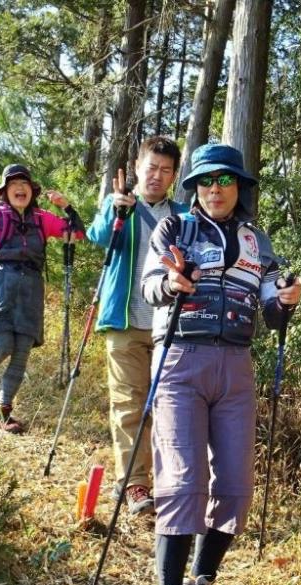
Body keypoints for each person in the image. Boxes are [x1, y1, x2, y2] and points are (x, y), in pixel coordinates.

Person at [141, 143, 301, 585]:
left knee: (233, 487)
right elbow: (149, 288)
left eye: (225, 181)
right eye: (206, 181)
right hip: (180, 361)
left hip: (236, 367)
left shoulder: (257, 240)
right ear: (194, 188)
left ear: (239, 188)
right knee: (184, 483)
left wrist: (285, 299)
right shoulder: (175, 229)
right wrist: (169, 282)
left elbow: (272, 311)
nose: (215, 189)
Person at [86, 136, 188, 516]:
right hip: (125, 321)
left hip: (171, 327)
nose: (157, 176)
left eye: (165, 170)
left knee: (166, 406)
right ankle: (135, 484)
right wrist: (115, 212)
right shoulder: (121, 206)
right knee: (130, 404)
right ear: (137, 169)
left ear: (174, 175)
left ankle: (165, 479)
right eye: (151, 168)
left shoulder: (182, 215)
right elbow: (97, 238)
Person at [0, 164, 84, 434]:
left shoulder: (43, 218)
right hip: (0, 283)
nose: (19, 188)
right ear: (4, 191)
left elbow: (76, 234)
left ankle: (2, 412)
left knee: (21, 352)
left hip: (30, 286)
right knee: (2, 345)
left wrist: (66, 206)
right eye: (13, 184)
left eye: (24, 184)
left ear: (32, 191)